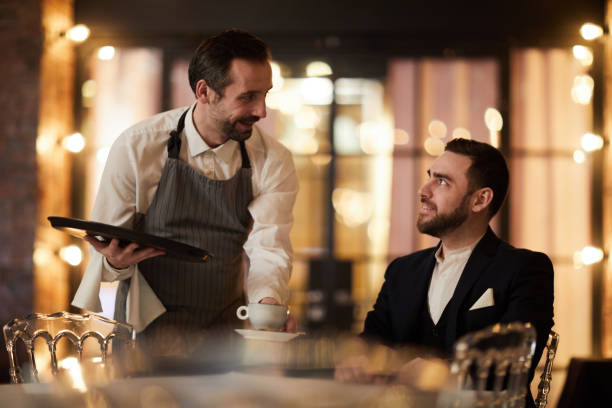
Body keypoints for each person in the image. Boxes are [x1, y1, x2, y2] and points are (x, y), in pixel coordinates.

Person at [72, 29, 298, 352]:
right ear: (205, 91)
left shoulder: (273, 159)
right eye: (248, 96)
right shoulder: (137, 148)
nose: (262, 111)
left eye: (266, 95)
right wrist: (116, 262)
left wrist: (268, 305)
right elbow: (107, 252)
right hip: (142, 339)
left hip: (224, 341)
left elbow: (269, 247)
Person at [336, 138, 554, 408]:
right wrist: (357, 360)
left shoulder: (525, 269)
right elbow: (373, 342)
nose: (423, 190)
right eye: (430, 177)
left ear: (480, 200)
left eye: (442, 181)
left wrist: (437, 373)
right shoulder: (402, 271)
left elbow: (513, 365)